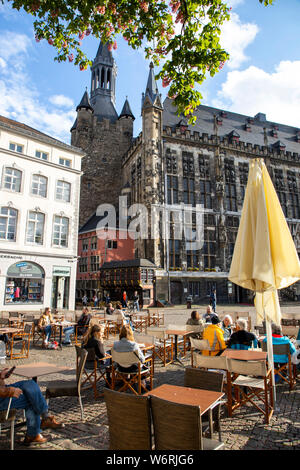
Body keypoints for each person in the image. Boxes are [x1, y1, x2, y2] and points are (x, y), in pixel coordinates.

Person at [0, 368, 63, 445]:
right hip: (2, 397)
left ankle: (46, 417)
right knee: (31, 399)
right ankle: (33, 435)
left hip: (3, 390)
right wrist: (10, 391)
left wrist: (1, 377)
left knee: (30, 383)